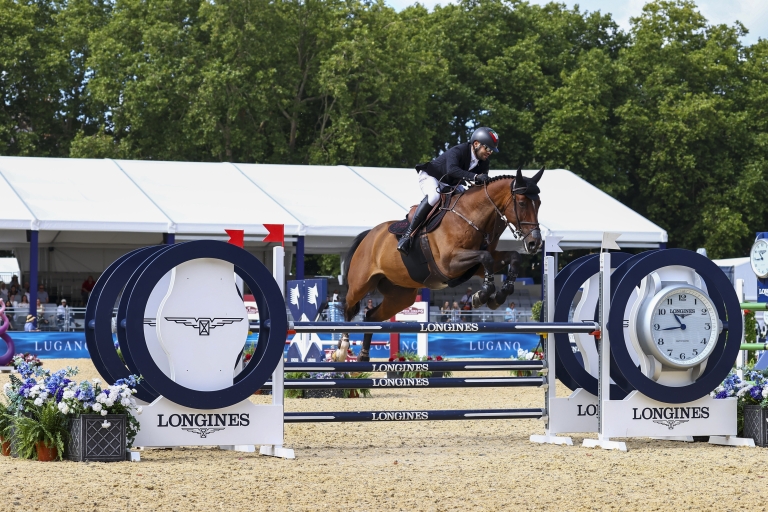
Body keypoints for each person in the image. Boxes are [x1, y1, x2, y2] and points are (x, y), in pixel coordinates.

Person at [397, 127, 500, 254]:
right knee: (434, 197)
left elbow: (479, 183)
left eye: (492, 150)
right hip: (432, 177)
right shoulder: (459, 150)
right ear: (476, 144)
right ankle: (408, 235)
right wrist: (474, 177)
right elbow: (452, 170)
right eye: (488, 148)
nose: (489, 152)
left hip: (451, 184)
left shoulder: (484, 163)